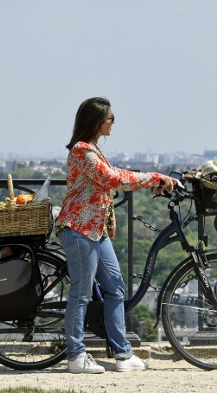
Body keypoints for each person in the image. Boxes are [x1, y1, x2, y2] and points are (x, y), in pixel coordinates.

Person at [56, 97, 178, 374]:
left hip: (96, 232)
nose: (114, 123)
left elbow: (116, 173)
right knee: (81, 294)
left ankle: (123, 354)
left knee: (115, 289)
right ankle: (75, 356)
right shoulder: (82, 151)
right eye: (111, 118)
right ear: (97, 121)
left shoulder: (93, 149)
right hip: (78, 229)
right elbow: (113, 179)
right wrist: (154, 177)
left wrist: (151, 179)